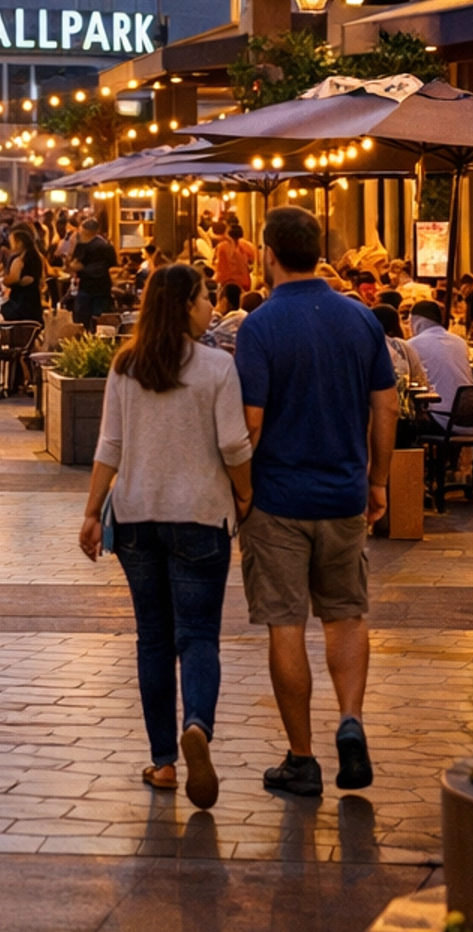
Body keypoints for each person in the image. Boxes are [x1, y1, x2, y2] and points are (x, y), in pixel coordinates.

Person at [234, 204, 397, 799]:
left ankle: (302, 757)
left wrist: (242, 491)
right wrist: (378, 480)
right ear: (318, 250)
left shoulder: (260, 325)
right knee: (346, 614)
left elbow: (251, 421)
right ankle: (350, 719)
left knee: (285, 624)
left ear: (268, 254)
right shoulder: (361, 319)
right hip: (344, 493)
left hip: (277, 498)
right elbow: (386, 405)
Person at [79, 263, 253, 808]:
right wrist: (245, 494)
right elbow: (234, 446)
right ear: (184, 306)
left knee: (153, 638)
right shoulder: (217, 366)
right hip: (200, 516)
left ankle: (163, 762)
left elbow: (109, 444)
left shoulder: (126, 365)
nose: (209, 307)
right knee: (197, 634)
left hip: (135, 519)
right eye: (204, 298)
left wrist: (91, 513)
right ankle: (197, 724)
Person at [404, 300, 472, 427]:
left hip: (440, 418)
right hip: (471, 417)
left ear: (417, 322)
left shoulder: (412, 345)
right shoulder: (460, 342)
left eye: (409, 323)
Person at [70, 216, 118, 327]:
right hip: (102, 285)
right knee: (100, 318)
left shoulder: (82, 245)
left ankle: (86, 334)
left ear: (85, 230)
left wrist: (76, 267)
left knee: (83, 318)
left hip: (86, 286)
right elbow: (113, 264)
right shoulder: (106, 246)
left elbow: (75, 264)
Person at [1, 224, 46, 325]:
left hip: (20, 306)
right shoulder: (37, 256)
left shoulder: (20, 259)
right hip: (34, 304)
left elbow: (13, 278)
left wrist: (5, 280)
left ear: (20, 242)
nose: (10, 245)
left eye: (12, 242)